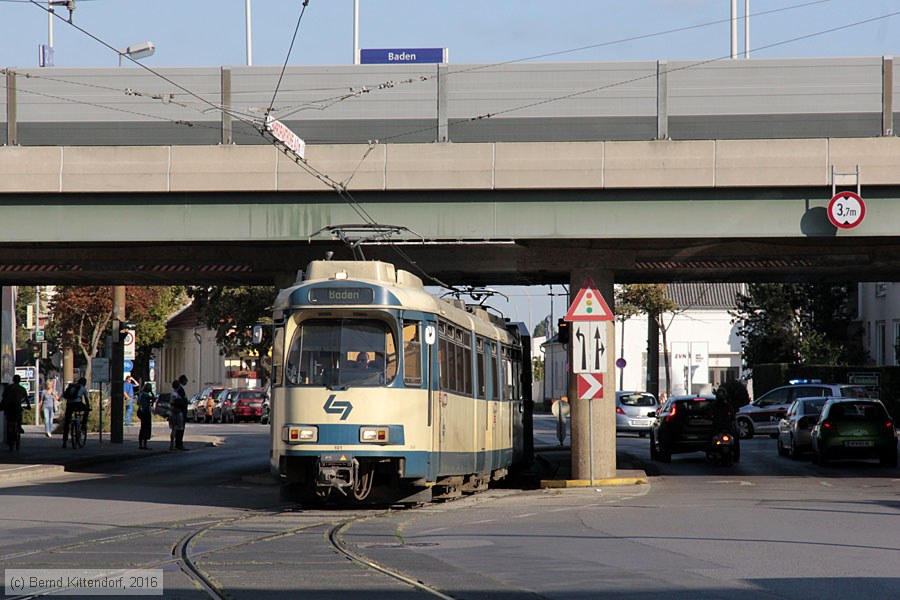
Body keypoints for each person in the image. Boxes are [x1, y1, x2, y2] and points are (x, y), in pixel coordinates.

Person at [61, 378, 90, 448]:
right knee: (86, 410)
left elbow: (64, 395)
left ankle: (64, 441)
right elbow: (86, 399)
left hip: (70, 404)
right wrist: (88, 407)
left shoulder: (71, 387)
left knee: (67, 422)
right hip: (78, 403)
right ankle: (83, 424)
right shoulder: (83, 388)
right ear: (84, 383)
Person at [137, 382, 154, 450]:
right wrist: (152, 392)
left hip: (142, 412)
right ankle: (144, 444)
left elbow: (138, 402)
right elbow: (153, 398)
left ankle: (141, 444)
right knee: (146, 428)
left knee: (143, 428)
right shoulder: (145, 394)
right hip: (146, 412)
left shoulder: (141, 394)